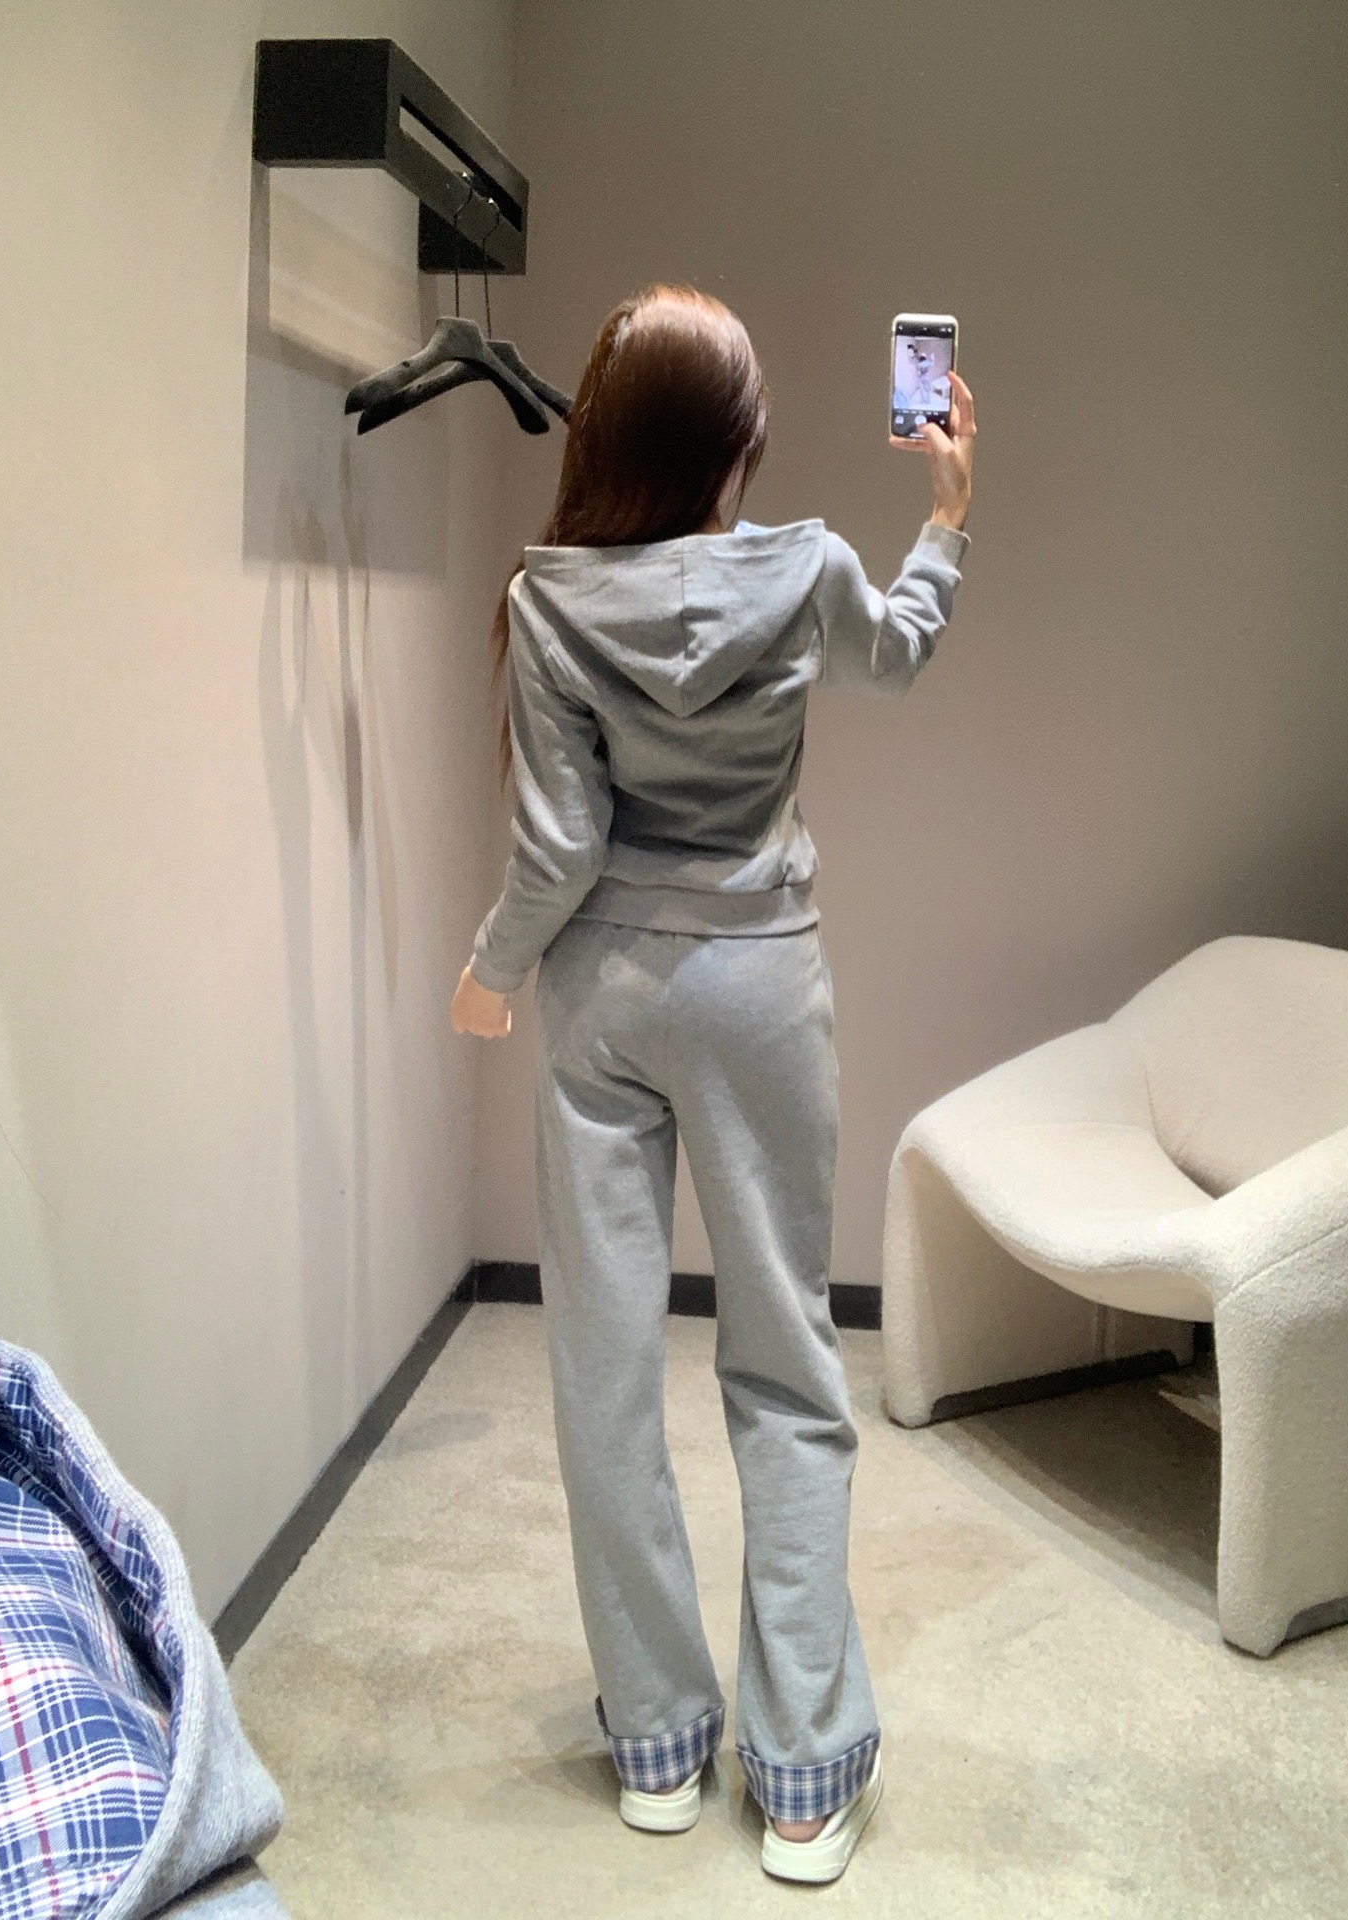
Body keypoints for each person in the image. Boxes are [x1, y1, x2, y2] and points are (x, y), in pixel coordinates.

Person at [450, 283, 976, 1885]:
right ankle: (804, 1781)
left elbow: (558, 849)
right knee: (788, 1367)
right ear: (734, 446)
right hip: (759, 986)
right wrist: (946, 518)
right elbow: (898, 654)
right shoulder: (807, 570)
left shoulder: (546, 600)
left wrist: (488, 971)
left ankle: (660, 1749)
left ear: (604, 439)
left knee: (604, 1373)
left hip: (600, 998)